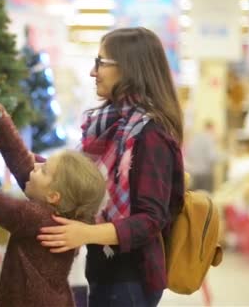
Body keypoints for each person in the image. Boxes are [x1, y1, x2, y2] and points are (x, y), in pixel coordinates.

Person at [35, 27, 185, 307]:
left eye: (100, 63)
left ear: (129, 68)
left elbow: (151, 220)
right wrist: (3, 139)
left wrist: (87, 233)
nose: (93, 72)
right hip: (106, 270)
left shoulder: (150, 134)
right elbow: (69, 178)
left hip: (130, 278)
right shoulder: (109, 128)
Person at [0, 84, 106, 307]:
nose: (35, 167)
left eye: (43, 170)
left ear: (54, 196)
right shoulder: (69, 215)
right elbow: (23, 161)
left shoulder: (35, 216)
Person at [185, 120, 219, 192]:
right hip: (205, 174)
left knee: (196, 199)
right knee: (206, 198)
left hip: (194, 173)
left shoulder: (194, 138)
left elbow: (188, 154)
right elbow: (212, 157)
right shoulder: (209, 138)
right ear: (211, 128)